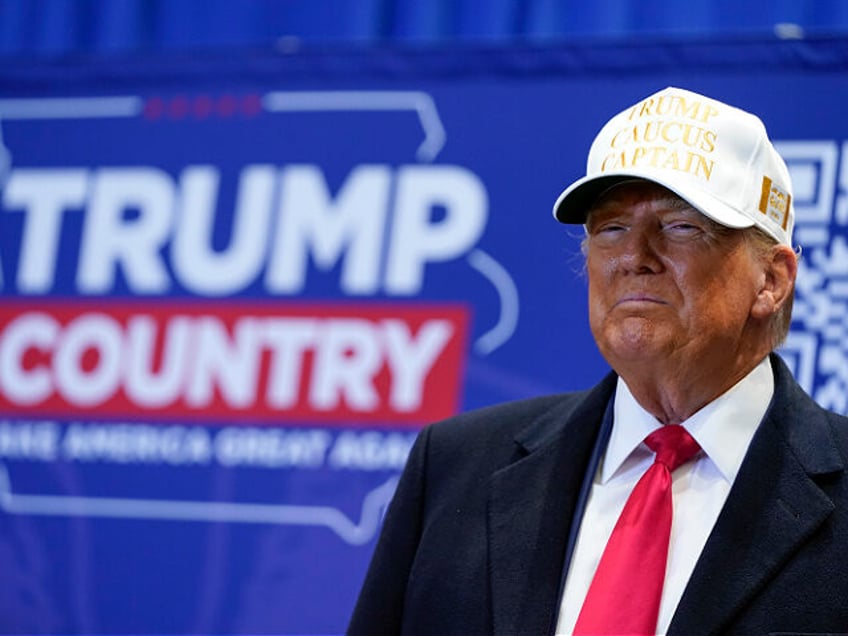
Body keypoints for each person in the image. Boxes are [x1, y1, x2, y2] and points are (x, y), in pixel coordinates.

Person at [347, 87, 848, 635]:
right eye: (611, 229)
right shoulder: (453, 468)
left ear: (771, 280)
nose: (636, 257)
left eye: (680, 227)